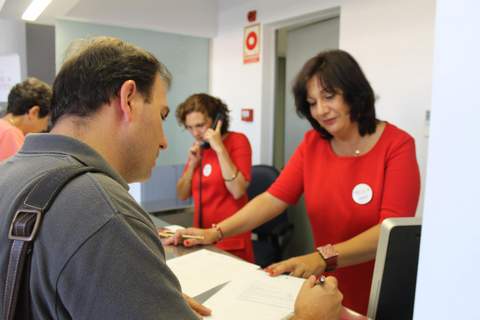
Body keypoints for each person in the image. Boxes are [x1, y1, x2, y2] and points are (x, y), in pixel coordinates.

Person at [0, 36, 343, 320]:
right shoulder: (101, 208)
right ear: (129, 99)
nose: (165, 140)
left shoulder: (11, 174)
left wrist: (141, 297)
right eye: (162, 115)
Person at [168, 49, 421, 315]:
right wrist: (216, 232)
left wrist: (323, 257)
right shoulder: (313, 144)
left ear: (354, 92)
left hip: (378, 285)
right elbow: (272, 199)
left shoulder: (397, 145)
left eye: (329, 96)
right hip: (327, 284)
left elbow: (389, 231)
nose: (321, 110)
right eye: (312, 102)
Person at [175, 93, 254, 262]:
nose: (195, 132)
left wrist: (219, 149)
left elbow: (238, 190)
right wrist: (192, 165)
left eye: (200, 125)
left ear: (218, 120)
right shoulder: (199, 149)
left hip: (231, 240)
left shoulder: (237, 141)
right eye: (189, 127)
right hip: (200, 240)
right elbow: (182, 195)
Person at [0, 77, 51, 161]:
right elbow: (18, 171)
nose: (45, 128)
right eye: (47, 119)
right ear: (34, 112)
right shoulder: (10, 134)